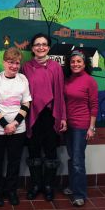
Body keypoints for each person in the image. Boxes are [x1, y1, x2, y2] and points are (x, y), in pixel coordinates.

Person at [21, 33, 67, 201]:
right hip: (32, 115)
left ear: (48, 47)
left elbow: (60, 93)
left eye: (44, 44)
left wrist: (62, 117)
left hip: (51, 115)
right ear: (32, 48)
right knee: (33, 151)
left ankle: (48, 186)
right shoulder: (26, 67)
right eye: (37, 44)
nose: (41, 47)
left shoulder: (56, 67)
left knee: (50, 151)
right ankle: (35, 185)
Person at [0, 47, 32, 207]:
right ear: (4, 62)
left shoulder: (23, 80)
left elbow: (26, 103)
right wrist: (6, 125)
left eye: (17, 63)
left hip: (18, 130)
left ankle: (11, 191)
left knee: (14, 162)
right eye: (11, 62)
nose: (14, 66)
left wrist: (15, 124)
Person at [63, 50, 98, 207]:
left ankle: (80, 194)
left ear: (85, 64)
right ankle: (72, 186)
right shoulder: (68, 79)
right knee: (72, 158)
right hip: (68, 125)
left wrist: (91, 127)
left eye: (79, 61)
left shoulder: (90, 81)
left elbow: (94, 105)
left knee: (78, 161)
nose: (75, 64)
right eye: (72, 61)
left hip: (81, 126)